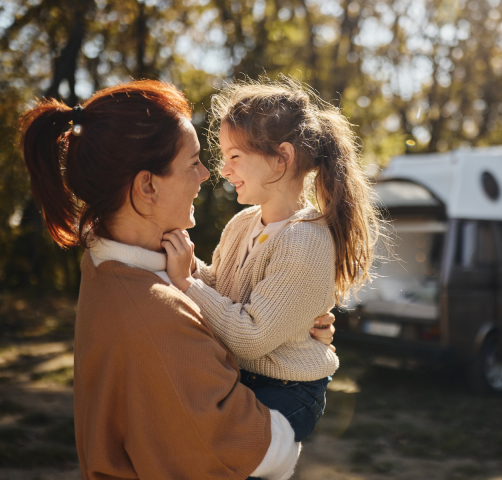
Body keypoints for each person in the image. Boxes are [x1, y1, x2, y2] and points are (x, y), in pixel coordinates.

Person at [19, 80, 335, 480]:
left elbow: (233, 303)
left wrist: (292, 328)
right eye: (193, 163)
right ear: (148, 186)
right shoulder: (156, 315)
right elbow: (252, 450)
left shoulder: (108, 270)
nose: (207, 174)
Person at [161, 77, 381, 442]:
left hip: (287, 390)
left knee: (217, 452)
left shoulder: (305, 240)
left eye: (235, 157)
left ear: (282, 158)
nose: (224, 170)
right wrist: (187, 261)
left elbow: (249, 336)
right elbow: (221, 290)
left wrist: (185, 281)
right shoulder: (243, 223)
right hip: (242, 376)